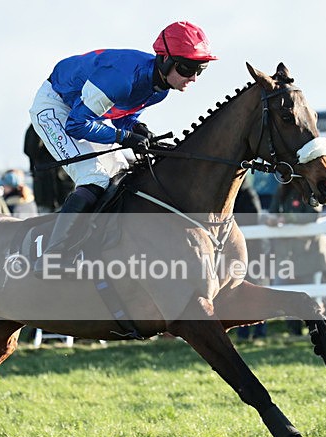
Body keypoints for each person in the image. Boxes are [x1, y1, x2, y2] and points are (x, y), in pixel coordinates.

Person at [28, 20, 217, 272]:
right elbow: (76, 125)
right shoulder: (121, 79)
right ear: (165, 60)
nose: (192, 77)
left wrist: (138, 130)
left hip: (85, 113)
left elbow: (122, 116)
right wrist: (124, 138)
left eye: (200, 70)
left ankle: (95, 245)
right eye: (187, 68)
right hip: (55, 107)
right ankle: (53, 255)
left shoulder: (161, 89)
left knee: (121, 175)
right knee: (94, 177)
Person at [264, 180, 326, 334]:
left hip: (308, 254)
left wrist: (288, 218)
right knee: (287, 296)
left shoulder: (311, 190)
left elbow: (312, 215)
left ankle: (321, 334)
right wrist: (271, 220)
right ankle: (294, 332)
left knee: (313, 300)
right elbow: (272, 211)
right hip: (287, 255)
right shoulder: (282, 190)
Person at [233, 179, 267, 342]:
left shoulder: (247, 195)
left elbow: (253, 220)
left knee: (254, 291)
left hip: (252, 252)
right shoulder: (241, 194)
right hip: (239, 253)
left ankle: (259, 330)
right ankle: (243, 332)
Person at [23, 124, 74, 213]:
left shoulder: (63, 123)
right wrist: (39, 126)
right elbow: (31, 150)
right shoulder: (34, 127)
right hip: (43, 192)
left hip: (65, 190)